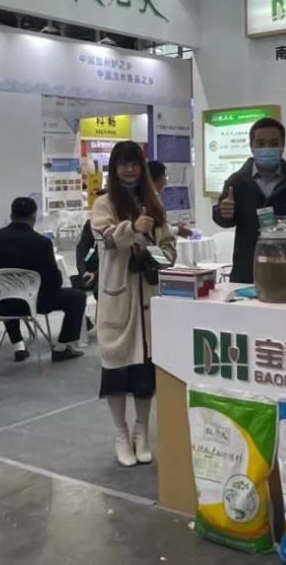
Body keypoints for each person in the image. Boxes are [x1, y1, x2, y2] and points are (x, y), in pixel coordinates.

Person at [91, 141, 177, 468]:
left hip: (149, 298)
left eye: (134, 163)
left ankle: (142, 431)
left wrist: (161, 254)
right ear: (114, 168)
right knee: (116, 369)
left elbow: (169, 245)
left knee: (144, 372)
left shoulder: (154, 203)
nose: (129, 169)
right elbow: (106, 240)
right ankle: (120, 433)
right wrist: (132, 228)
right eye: (123, 163)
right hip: (118, 298)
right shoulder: (104, 203)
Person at [0, 197, 86, 364]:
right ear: (34, 216)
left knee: (6, 289)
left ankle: (18, 345)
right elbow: (53, 279)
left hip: (1, 304)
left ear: (11, 215)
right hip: (36, 304)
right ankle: (61, 347)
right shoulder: (42, 243)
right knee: (77, 296)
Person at [213, 116, 286, 283]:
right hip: (247, 271)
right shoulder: (236, 182)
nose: (267, 148)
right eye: (260, 143)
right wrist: (224, 213)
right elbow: (224, 220)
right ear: (251, 146)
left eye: (273, 143)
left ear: (283, 145)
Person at [148, 160, 192, 238]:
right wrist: (178, 230)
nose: (165, 182)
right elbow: (158, 229)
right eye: (164, 176)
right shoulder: (150, 199)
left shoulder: (153, 196)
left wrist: (175, 229)